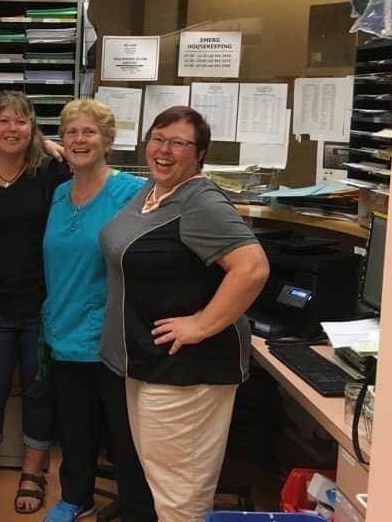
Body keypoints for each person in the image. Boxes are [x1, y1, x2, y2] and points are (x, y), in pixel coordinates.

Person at [98, 105, 270, 522]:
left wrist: (201, 324)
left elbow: (252, 267)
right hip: (147, 362)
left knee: (182, 501)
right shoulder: (153, 192)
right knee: (163, 487)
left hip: (186, 374)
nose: (164, 150)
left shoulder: (199, 201)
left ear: (199, 153)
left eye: (178, 143)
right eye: (158, 139)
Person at [0, 90, 71, 514]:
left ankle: (33, 469)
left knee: (40, 391)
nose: (12, 128)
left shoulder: (51, 170)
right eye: (3, 120)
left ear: (33, 127)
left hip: (42, 303)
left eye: (21, 121)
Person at [41, 99, 156, 522]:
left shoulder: (129, 192)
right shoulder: (57, 193)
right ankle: (77, 497)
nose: (79, 139)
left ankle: (137, 509)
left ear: (107, 140)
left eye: (89, 132)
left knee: (125, 435)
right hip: (63, 331)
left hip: (112, 336)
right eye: (72, 132)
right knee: (74, 428)